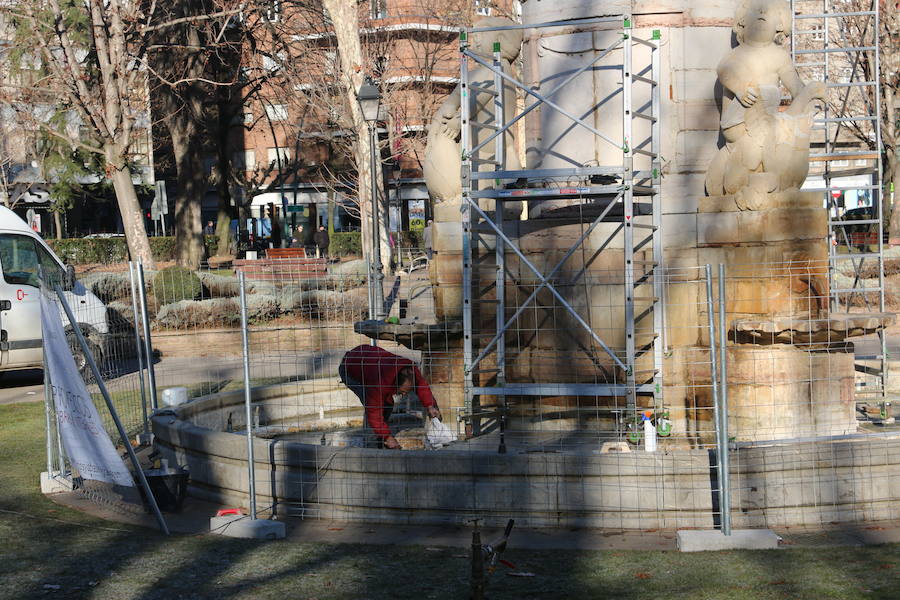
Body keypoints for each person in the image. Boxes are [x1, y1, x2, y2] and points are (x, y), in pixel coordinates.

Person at [338, 344, 442, 449]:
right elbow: (374, 413)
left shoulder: (411, 371)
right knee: (372, 405)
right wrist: (388, 437)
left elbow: (421, 386)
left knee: (387, 405)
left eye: (408, 391)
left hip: (367, 360)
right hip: (349, 369)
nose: (405, 395)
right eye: (403, 391)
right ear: (394, 384)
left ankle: (381, 437)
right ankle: (372, 448)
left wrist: (430, 406)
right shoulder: (379, 382)